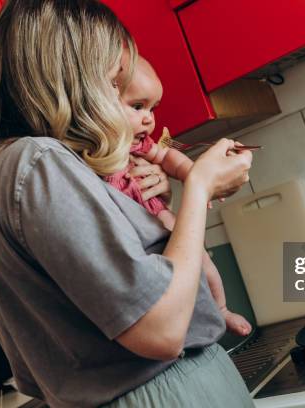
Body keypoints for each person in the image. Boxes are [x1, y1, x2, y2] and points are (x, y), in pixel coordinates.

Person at [0, 1, 254, 407]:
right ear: (70, 74)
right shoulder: (36, 163)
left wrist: (154, 205)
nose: (115, 93)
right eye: (109, 79)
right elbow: (160, 331)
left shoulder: (24, 168)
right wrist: (199, 186)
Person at [105, 56, 252, 337]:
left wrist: (194, 176)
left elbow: (167, 155)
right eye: (137, 106)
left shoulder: (139, 144)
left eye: (152, 108)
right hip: (133, 237)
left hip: (158, 216)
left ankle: (221, 309)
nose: (149, 118)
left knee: (202, 261)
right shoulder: (96, 153)